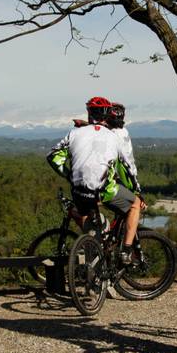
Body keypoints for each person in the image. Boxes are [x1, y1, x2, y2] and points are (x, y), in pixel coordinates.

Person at [48, 97, 145, 265]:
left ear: (88, 113)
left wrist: (69, 176)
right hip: (103, 190)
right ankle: (126, 252)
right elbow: (127, 168)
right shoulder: (114, 137)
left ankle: (93, 253)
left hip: (78, 190)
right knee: (135, 204)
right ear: (108, 115)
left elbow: (53, 157)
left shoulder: (75, 133)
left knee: (89, 220)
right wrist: (136, 191)